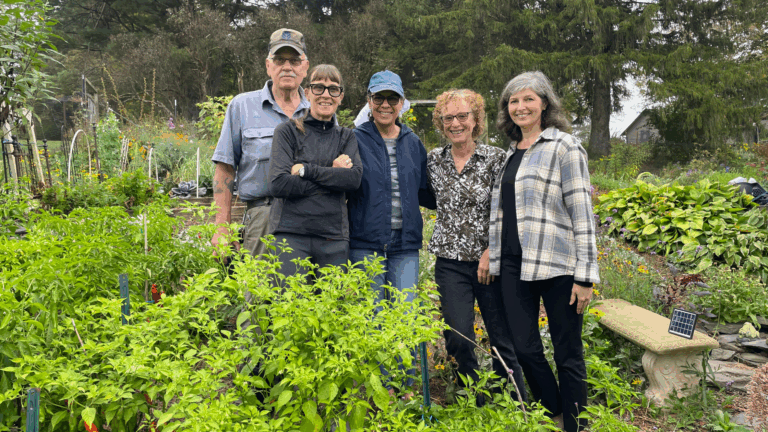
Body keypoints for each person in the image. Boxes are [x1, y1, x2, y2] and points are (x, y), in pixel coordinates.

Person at [488, 71, 600, 432]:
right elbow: (503, 214)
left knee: (568, 352)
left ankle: (576, 425)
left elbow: (582, 214)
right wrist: (492, 252)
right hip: (513, 266)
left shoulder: (564, 147)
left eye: (528, 99)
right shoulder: (510, 154)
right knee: (524, 348)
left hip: (558, 266)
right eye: (513, 101)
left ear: (545, 103)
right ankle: (554, 408)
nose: (520, 107)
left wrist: (586, 275)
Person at [427, 89, 525, 405]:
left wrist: (491, 250)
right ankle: (474, 400)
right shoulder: (433, 161)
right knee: (458, 337)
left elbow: (510, 210)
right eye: (448, 118)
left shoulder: (496, 159)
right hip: (450, 264)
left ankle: (513, 399)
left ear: (476, 119)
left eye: (462, 116)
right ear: (441, 123)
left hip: (490, 263)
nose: (456, 123)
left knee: (502, 338)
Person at [347, 70, 435, 399]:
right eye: (378, 98)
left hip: (405, 246)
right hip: (365, 243)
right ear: (369, 102)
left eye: (392, 98)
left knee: (405, 315)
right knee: (369, 316)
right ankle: (372, 391)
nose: (385, 104)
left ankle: (404, 388)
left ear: (402, 103)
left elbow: (428, 191)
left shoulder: (413, 143)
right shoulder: (354, 138)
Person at [211, 28, 311, 257]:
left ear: (305, 67)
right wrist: (221, 226)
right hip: (262, 217)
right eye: (279, 59)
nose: (287, 66)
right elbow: (225, 169)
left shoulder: (317, 110)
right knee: (258, 290)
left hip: (310, 219)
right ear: (268, 65)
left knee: (305, 290)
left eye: (295, 60)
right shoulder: (242, 106)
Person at [268, 64, 362, 279]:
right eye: (318, 88)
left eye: (333, 89)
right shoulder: (288, 131)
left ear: (341, 96)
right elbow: (279, 184)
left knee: (331, 308)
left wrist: (306, 170)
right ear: (307, 92)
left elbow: (353, 180)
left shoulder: (346, 137)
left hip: (333, 238)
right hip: (290, 236)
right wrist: (332, 175)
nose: (326, 95)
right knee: (290, 307)